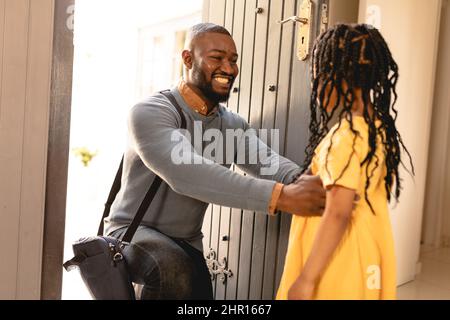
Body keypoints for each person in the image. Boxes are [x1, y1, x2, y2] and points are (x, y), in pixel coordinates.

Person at [104, 23, 326, 300]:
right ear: (187, 59)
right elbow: (186, 172)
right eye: (216, 58)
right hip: (132, 233)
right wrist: (280, 197)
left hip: (187, 244)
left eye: (233, 60)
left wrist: (311, 182)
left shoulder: (231, 125)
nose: (229, 68)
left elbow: (269, 163)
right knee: (171, 268)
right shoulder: (151, 111)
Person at [276, 24, 414, 300]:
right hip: (368, 250)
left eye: (316, 78)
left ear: (332, 77)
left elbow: (338, 212)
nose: (315, 88)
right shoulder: (376, 129)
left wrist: (306, 278)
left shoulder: (345, 138)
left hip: (339, 261)